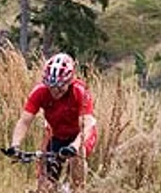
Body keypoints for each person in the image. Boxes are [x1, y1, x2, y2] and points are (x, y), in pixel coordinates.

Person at [5, 53, 97, 185]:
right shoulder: (40, 92)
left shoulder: (79, 92)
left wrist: (74, 147)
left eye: (60, 88)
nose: (55, 92)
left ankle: (78, 188)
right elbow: (24, 121)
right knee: (45, 182)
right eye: (51, 87)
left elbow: (87, 125)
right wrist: (15, 145)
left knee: (77, 156)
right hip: (58, 135)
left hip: (81, 134)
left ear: (69, 82)